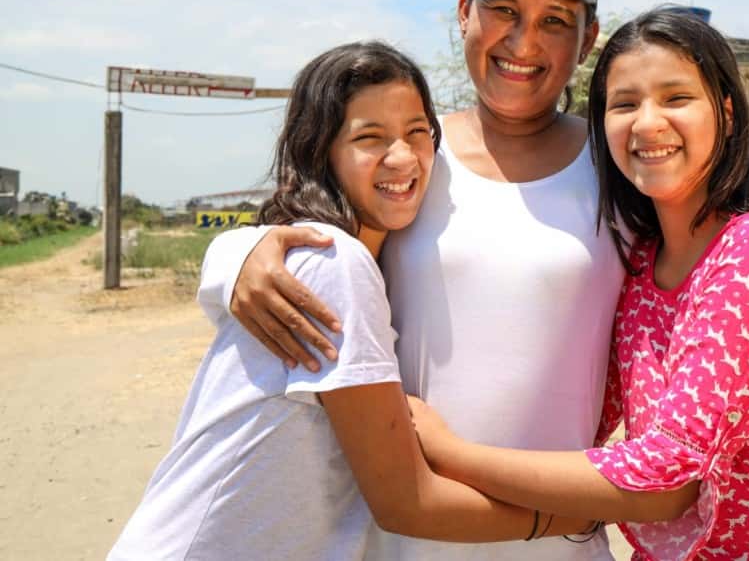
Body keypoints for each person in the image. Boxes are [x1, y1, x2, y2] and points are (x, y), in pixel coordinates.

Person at [198, 0, 749, 560]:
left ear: (587, 42)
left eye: (556, 20)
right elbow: (309, 236)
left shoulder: (615, 168)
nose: (524, 42)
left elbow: (723, 247)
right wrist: (234, 258)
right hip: (409, 529)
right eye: (503, 10)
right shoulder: (415, 160)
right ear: (464, 9)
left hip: (560, 536)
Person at [408, 9, 749, 560]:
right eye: (625, 104)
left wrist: (450, 454)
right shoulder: (640, 269)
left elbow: (667, 474)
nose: (648, 123)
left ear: (726, 114)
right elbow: (588, 419)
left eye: (676, 98)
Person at [108, 42, 593, 560]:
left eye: (416, 133)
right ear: (321, 151)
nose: (403, 157)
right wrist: (575, 516)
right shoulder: (332, 260)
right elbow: (407, 504)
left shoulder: (351, 257)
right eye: (369, 138)